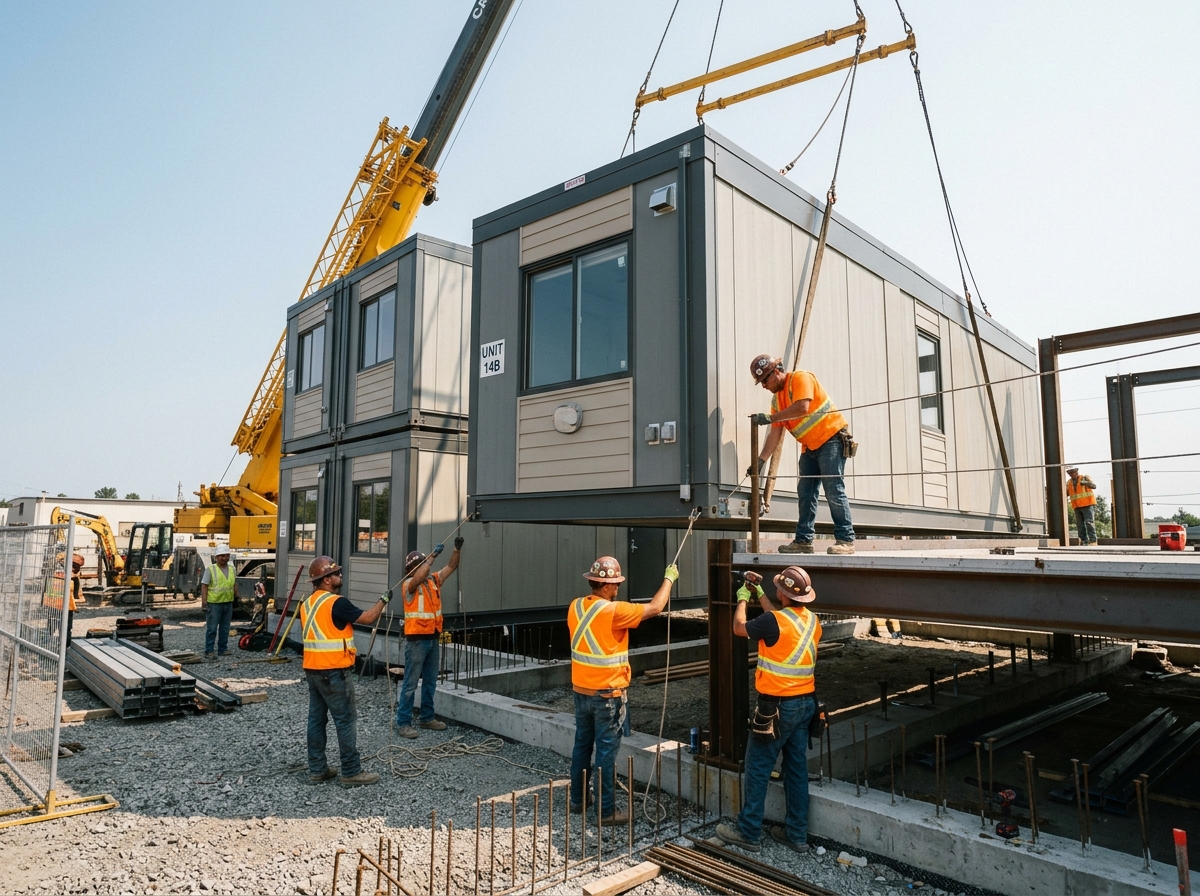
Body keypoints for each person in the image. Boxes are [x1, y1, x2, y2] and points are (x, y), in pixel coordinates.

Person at [717, 564, 822, 854]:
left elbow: (740, 628)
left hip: (775, 708)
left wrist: (742, 598)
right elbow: (776, 617)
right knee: (796, 770)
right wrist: (760, 592)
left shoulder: (773, 621)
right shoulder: (812, 621)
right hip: (805, 706)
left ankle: (749, 832)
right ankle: (797, 835)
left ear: (782, 592)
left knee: (758, 768)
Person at [568, 556, 677, 824]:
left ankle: (578, 800)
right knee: (605, 753)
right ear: (606, 586)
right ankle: (605, 813)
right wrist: (669, 578)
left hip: (581, 691)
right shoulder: (613, 611)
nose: (618, 588)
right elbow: (655, 607)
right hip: (606, 695)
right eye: (615, 584)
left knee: (582, 745)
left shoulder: (576, 606)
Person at [749, 354, 855, 555]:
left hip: (831, 439)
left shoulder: (800, 378)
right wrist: (760, 461)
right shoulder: (776, 400)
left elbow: (802, 408)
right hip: (809, 448)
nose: (763, 385)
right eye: (761, 382)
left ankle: (845, 540)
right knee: (806, 494)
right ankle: (804, 541)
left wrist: (770, 418)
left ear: (777, 371)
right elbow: (775, 433)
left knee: (834, 489)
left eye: (764, 380)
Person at [302, 555, 388, 786]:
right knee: (346, 720)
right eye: (337, 573)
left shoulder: (307, 603)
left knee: (316, 720)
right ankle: (351, 771)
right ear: (327, 579)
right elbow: (369, 618)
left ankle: (317, 769)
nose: (341, 576)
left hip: (313, 670)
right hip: (334, 672)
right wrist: (383, 600)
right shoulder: (336, 602)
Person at [394, 536, 463, 738]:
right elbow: (420, 575)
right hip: (416, 641)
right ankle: (403, 723)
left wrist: (456, 550)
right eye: (420, 565)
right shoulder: (408, 585)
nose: (424, 567)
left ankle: (427, 718)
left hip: (433, 638)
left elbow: (451, 567)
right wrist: (431, 557)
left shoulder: (433, 580)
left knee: (431, 681)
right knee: (410, 683)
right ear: (411, 569)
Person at [200, 545, 237, 659]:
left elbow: (234, 583)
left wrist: (237, 596)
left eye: (226, 556)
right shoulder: (211, 569)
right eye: (221, 556)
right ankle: (209, 650)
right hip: (214, 603)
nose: (224, 558)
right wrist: (204, 602)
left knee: (225, 628)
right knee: (212, 628)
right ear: (216, 557)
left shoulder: (232, 569)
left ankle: (223, 649)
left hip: (228, 602)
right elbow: (204, 586)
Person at [1066, 466, 1098, 546]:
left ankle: (1093, 540)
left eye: (1073, 473)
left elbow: (1094, 486)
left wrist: (1086, 483)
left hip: (1087, 504)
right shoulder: (1069, 483)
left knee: (1089, 522)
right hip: (1077, 506)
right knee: (1079, 524)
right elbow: (1066, 493)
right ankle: (1083, 540)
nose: (1072, 475)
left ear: (1076, 472)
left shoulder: (1084, 478)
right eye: (1070, 473)